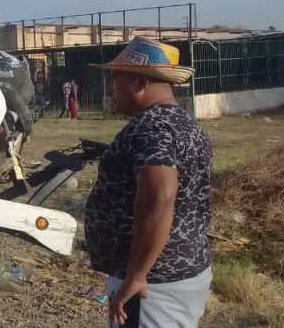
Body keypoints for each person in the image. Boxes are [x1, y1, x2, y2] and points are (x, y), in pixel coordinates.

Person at [84, 37, 213, 328]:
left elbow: (160, 196)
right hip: (182, 269)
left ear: (140, 82)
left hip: (153, 283)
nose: (111, 86)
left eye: (116, 77)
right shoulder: (185, 124)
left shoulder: (152, 127)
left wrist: (137, 275)